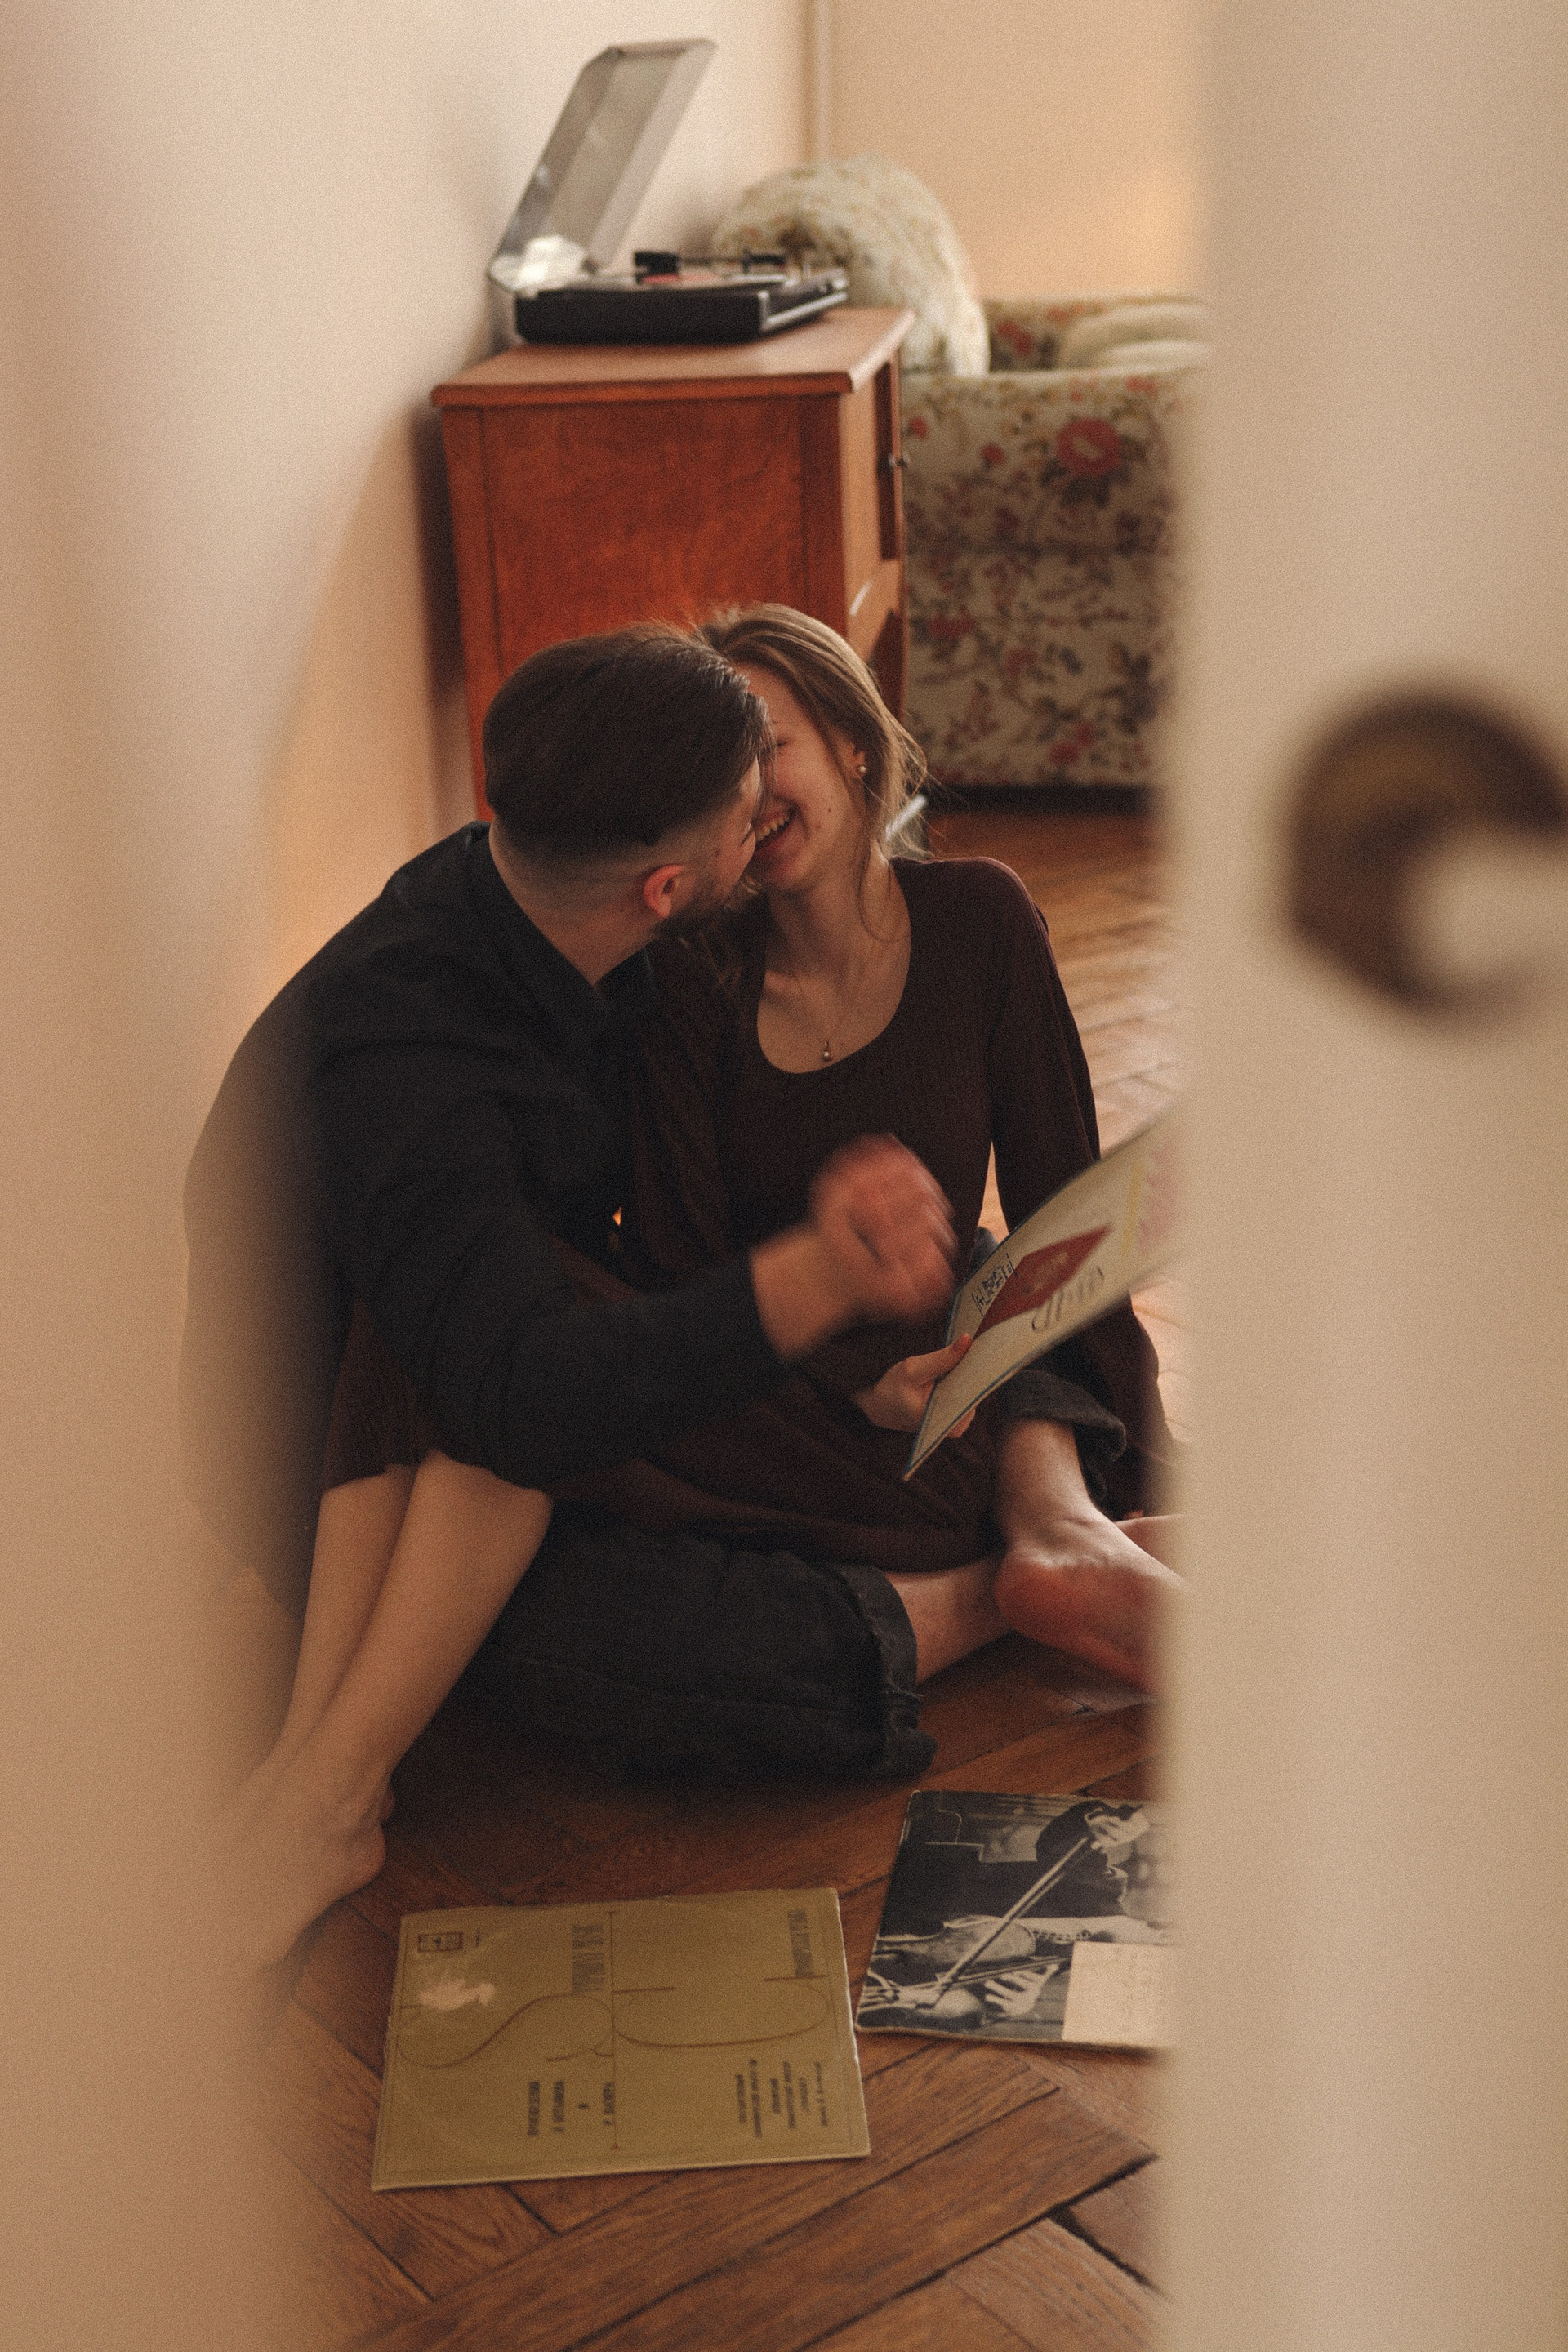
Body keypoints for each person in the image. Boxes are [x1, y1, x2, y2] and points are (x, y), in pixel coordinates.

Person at [182, 626, 959, 1972]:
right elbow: (524, 1405)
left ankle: (316, 1784)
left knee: (514, 1332)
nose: (764, 822)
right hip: (321, 1457)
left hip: (484, 1379)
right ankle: (331, 1793)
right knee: (651, 1661)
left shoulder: (554, 904)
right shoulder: (407, 1053)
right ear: (666, 886)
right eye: (745, 817)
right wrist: (815, 1278)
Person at [586, 603, 1181, 1692]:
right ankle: (1051, 1539)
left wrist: (1148, 1447)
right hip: (779, 1381)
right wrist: (859, 1394)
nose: (747, 797)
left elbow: (1064, 1210)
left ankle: (1063, 1534)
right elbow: (685, 1280)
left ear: (853, 740)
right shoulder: (686, 980)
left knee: (1000, 1288)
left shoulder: (981, 919)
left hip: (947, 1356)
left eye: (767, 749)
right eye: (716, 780)